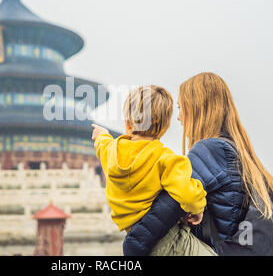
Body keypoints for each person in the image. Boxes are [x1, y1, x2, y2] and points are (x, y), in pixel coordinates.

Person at [124, 72, 273, 256]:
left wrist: (132, 245)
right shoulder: (237, 152)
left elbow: (165, 207)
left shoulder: (211, 150)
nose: (179, 117)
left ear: (196, 108)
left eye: (181, 108)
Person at [92, 85, 216, 256]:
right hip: (168, 241)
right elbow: (187, 194)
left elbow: (103, 145)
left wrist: (101, 134)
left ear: (127, 123)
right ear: (164, 127)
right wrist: (198, 209)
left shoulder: (112, 153)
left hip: (136, 235)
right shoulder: (165, 158)